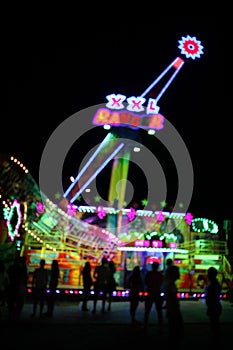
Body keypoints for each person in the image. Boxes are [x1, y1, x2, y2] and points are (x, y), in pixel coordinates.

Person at [165, 264, 184, 346]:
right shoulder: (171, 285)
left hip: (171, 311)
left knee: (173, 332)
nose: (179, 274)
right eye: (177, 272)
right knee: (175, 333)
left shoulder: (170, 284)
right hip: (173, 312)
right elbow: (173, 300)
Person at [143, 261, 164, 334]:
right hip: (157, 293)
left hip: (150, 293)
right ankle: (160, 327)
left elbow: (146, 282)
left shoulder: (149, 274)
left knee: (147, 311)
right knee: (159, 311)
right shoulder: (160, 274)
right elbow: (162, 282)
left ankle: (145, 326)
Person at [7, 255, 28, 319]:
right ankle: (16, 311)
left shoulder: (11, 268)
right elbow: (24, 277)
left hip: (12, 285)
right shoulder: (21, 268)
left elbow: (8, 275)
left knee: (12, 299)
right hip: (18, 285)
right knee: (18, 299)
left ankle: (11, 311)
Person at [205, 266, 222, 344]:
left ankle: (215, 341)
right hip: (216, 306)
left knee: (214, 324)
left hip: (214, 307)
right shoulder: (216, 283)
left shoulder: (212, 285)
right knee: (215, 324)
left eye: (208, 274)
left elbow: (210, 298)